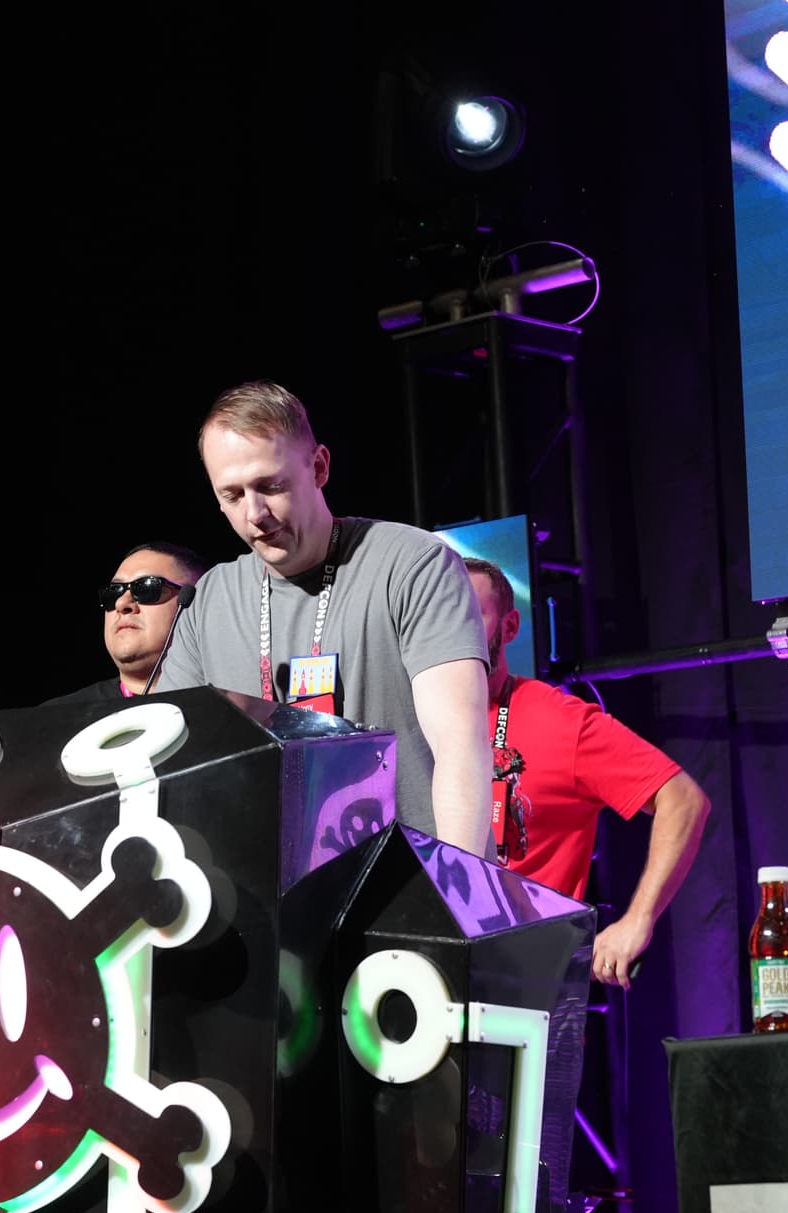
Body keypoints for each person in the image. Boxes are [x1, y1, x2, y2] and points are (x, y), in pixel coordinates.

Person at [154, 380, 492, 854]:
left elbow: (461, 748)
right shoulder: (209, 599)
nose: (255, 514)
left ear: (318, 467)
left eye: (270, 486)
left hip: (405, 888)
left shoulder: (412, 563)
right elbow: (170, 763)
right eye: (231, 495)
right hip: (266, 899)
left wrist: (464, 896)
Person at [464, 557, 710, 988]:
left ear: (509, 626)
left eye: (472, 615)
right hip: (420, 986)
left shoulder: (557, 720)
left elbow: (683, 799)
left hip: (526, 993)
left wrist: (638, 920)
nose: (453, 630)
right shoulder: (407, 718)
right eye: (441, 614)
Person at [47, 542, 210, 703]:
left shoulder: (230, 707)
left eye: (147, 588)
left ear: (197, 604)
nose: (121, 604)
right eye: (113, 593)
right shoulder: (53, 719)